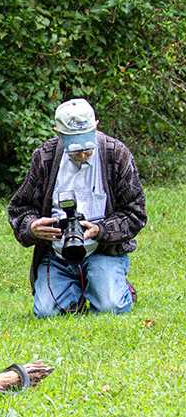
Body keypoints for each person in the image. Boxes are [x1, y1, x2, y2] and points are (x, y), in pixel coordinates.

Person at [8, 98, 147, 317]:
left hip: (103, 250)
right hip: (57, 252)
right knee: (46, 312)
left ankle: (119, 288)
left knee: (111, 307)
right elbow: (20, 208)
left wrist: (101, 230)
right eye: (75, 147)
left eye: (86, 144)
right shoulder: (45, 157)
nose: (82, 153)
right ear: (58, 133)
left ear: (96, 125)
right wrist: (33, 227)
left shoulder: (116, 154)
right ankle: (77, 289)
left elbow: (136, 213)